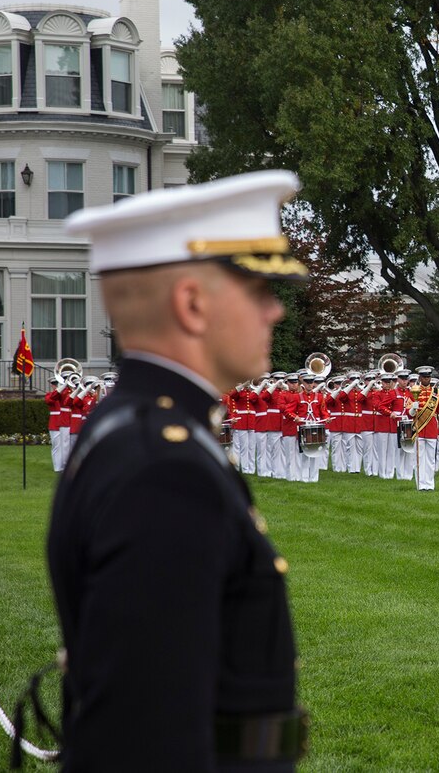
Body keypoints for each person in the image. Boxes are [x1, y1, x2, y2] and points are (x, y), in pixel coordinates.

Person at [46, 171, 309, 770]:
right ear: (192, 303)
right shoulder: (164, 470)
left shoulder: (138, 429)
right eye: (259, 287)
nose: (275, 311)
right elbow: (149, 743)